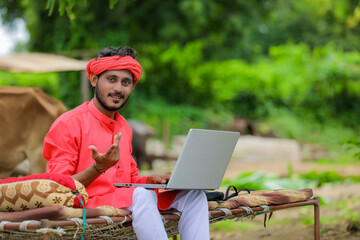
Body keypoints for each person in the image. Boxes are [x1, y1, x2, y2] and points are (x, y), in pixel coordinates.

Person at [42, 46, 210, 240]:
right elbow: (58, 190)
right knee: (141, 195)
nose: (118, 89)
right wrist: (98, 168)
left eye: (126, 82)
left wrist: (150, 181)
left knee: (194, 195)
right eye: (111, 79)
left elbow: (128, 181)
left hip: (125, 199)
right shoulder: (69, 123)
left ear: (132, 87)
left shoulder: (124, 127)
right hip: (87, 204)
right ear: (94, 80)